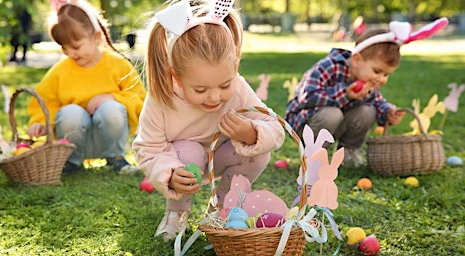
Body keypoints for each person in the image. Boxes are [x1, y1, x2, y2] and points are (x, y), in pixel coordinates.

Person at [132, 0, 285, 241]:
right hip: (183, 161)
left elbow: (276, 128)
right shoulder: (162, 98)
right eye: (200, 89)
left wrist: (251, 133)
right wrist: (169, 173)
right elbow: (148, 148)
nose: (215, 97)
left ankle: (224, 209)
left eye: (223, 85)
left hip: (223, 155)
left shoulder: (238, 88)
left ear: (234, 67)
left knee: (257, 152)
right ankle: (177, 212)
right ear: (177, 78)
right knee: (189, 150)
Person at [27, 0, 147, 175]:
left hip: (107, 137)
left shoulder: (117, 64)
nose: (70, 53)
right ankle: (71, 161)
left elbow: (140, 98)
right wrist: (40, 123)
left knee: (111, 108)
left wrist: (112, 97)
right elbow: (45, 102)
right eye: (64, 48)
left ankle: (116, 157)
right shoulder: (60, 71)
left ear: (96, 38)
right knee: (70, 113)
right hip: (73, 140)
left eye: (75, 46)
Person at [285, 28, 406, 167]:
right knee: (332, 114)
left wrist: (387, 112)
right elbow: (307, 97)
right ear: (356, 60)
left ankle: (348, 153)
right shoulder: (329, 66)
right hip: (305, 123)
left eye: (386, 75)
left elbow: (377, 102)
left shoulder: (368, 80)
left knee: (367, 111)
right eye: (377, 71)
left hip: (337, 123)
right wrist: (345, 94)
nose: (381, 79)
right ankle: (314, 157)